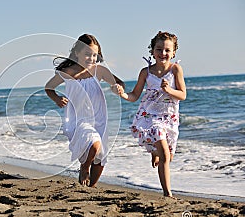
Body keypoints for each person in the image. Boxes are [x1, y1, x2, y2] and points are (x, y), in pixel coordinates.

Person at [45, 34, 124, 187]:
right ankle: (84, 166)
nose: (91, 58)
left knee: (101, 156)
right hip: (79, 119)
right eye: (87, 54)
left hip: (100, 118)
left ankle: (90, 188)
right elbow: (49, 87)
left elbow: (118, 83)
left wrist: (117, 88)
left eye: (95, 55)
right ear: (77, 53)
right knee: (94, 143)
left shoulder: (99, 71)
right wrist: (56, 98)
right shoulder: (68, 71)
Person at [116, 31, 186, 198]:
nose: (163, 53)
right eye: (159, 49)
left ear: (174, 52)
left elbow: (183, 95)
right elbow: (134, 96)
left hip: (170, 118)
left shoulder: (175, 69)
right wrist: (122, 94)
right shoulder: (145, 72)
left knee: (168, 156)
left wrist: (169, 90)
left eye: (167, 50)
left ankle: (156, 152)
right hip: (150, 116)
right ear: (152, 51)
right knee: (165, 153)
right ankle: (167, 193)